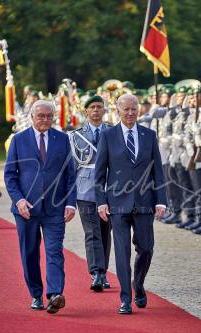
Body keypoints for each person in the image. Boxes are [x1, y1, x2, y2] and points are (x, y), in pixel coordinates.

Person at [95, 93, 167, 315]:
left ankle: (138, 285)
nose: (130, 113)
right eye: (126, 109)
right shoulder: (108, 136)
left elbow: (158, 171)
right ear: (118, 110)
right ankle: (125, 298)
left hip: (145, 202)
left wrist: (161, 200)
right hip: (117, 204)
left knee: (146, 248)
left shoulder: (149, 135)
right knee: (122, 251)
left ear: (139, 110)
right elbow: (99, 174)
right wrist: (101, 202)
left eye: (134, 109)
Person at [4, 100, 77, 314]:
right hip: (26, 209)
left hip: (55, 208)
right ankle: (36, 295)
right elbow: (10, 175)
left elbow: (70, 175)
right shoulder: (18, 140)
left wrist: (71, 203)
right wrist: (19, 201)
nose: (45, 120)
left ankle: (55, 294)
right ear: (32, 117)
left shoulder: (63, 139)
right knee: (30, 252)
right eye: (41, 116)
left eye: (49, 116)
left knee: (55, 251)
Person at [69, 95, 112, 292]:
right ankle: (96, 273)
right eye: (92, 107)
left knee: (105, 232)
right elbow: (72, 166)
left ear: (104, 111)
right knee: (91, 232)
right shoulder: (76, 135)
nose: (96, 110)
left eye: (99, 107)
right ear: (86, 111)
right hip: (85, 188)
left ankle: (103, 271)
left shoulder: (113, 132)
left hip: (109, 187)